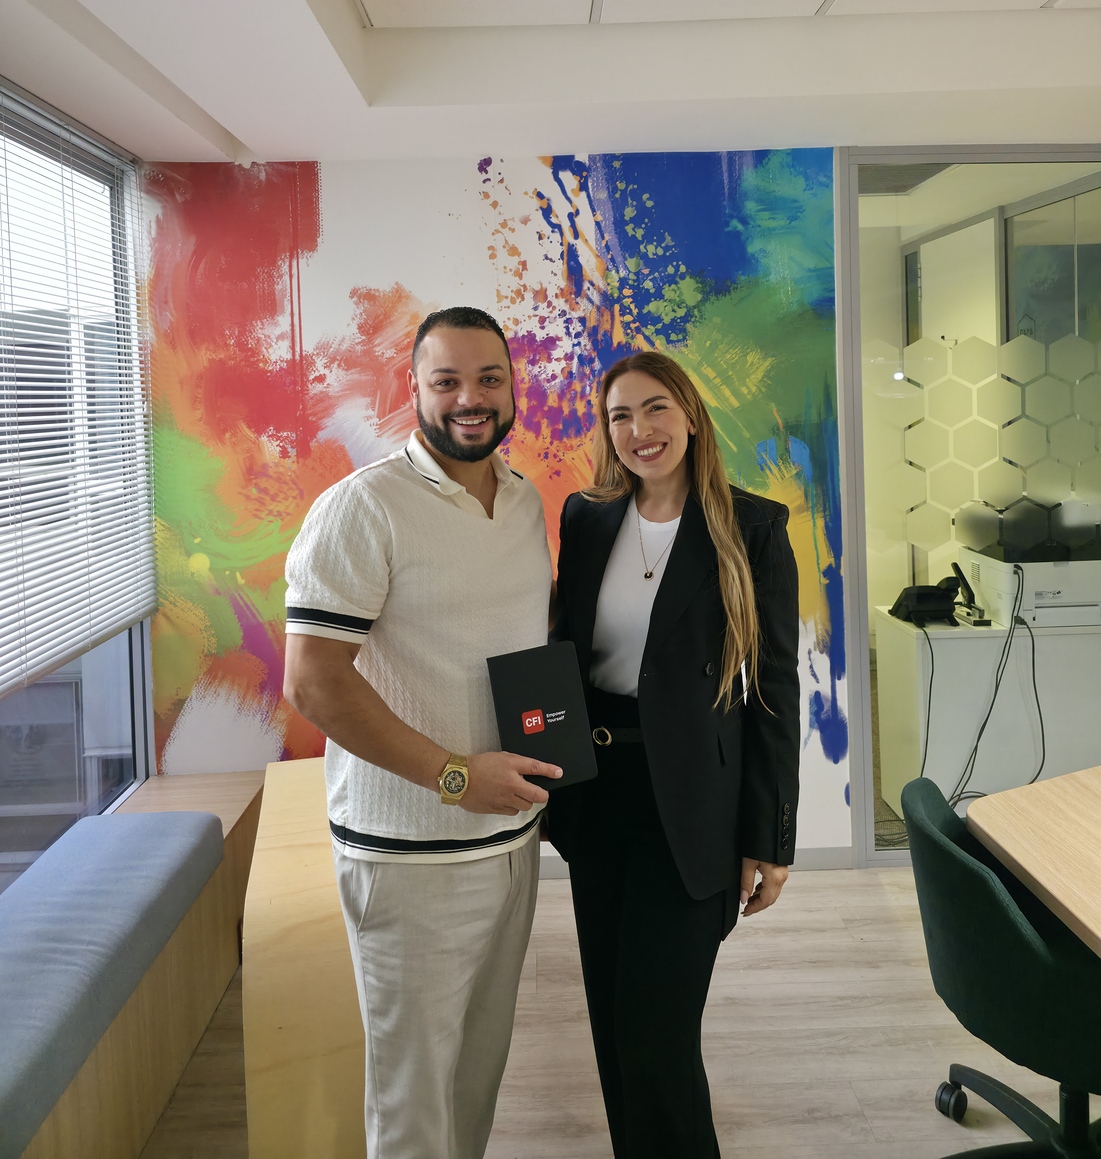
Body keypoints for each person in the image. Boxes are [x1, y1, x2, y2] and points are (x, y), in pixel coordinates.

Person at [282, 305, 562, 1159]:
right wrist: (455, 776)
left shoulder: (522, 500)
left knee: (474, 1080)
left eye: (488, 379)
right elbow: (313, 681)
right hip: (409, 856)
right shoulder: (362, 507)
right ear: (413, 389)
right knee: (412, 1103)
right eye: (447, 381)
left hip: (510, 840)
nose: (469, 398)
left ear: (512, 388)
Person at [547, 349, 801, 1158]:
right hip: (598, 797)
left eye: (654, 407)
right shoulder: (586, 517)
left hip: (692, 809)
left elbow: (772, 690)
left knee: (655, 1037)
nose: (639, 429)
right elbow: (558, 652)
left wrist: (770, 837)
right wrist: (545, 781)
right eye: (619, 415)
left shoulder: (751, 527)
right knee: (616, 1033)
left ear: (690, 415)